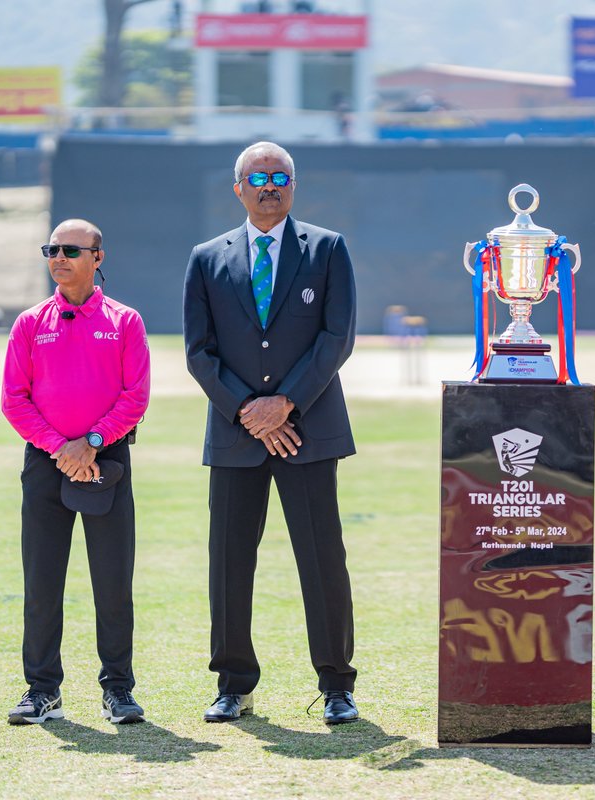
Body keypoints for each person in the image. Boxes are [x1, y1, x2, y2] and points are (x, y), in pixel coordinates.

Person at [183, 141, 360, 725]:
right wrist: (248, 412)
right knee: (229, 561)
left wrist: (285, 404)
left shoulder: (328, 249)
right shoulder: (207, 258)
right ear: (238, 188)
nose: (268, 185)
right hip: (236, 436)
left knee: (321, 558)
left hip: (309, 429)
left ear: (293, 185)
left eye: (279, 176)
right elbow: (199, 353)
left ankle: (336, 684)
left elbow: (337, 339)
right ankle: (233, 684)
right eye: (257, 177)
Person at [1, 219, 150, 725]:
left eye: (70, 249)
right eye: (52, 249)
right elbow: (13, 400)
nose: (59, 257)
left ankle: (118, 691)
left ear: (98, 257)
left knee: (113, 583)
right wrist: (59, 448)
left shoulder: (126, 320)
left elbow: (136, 397)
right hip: (46, 466)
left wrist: (89, 443)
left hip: (106, 462)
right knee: (42, 582)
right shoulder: (29, 323)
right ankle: (42, 691)